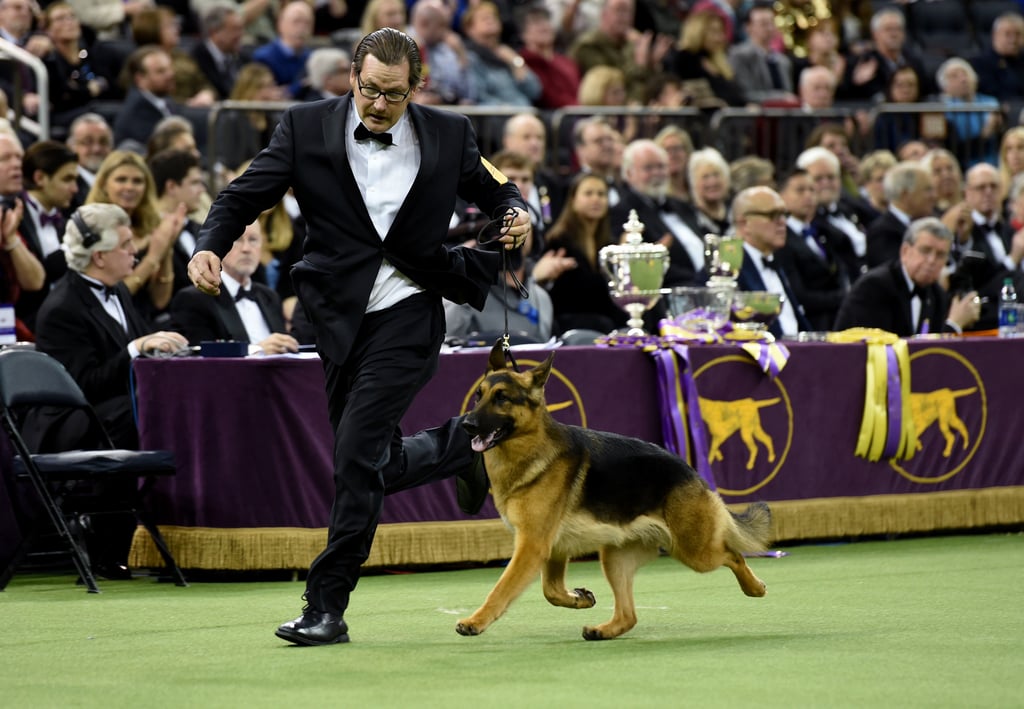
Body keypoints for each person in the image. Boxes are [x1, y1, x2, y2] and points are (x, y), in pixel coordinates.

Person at [188, 28, 531, 647]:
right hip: (338, 319)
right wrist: (209, 246)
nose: (377, 104)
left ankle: (326, 605)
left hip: (410, 312)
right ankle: (463, 442)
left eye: (392, 95)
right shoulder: (304, 126)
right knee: (372, 460)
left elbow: (498, 189)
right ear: (351, 76)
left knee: (352, 458)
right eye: (368, 89)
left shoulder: (449, 134)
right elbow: (244, 194)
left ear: (415, 89)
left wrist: (516, 214)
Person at [32, 203, 189, 578]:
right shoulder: (62, 308)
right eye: (125, 244)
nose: (134, 250)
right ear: (99, 256)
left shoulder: (117, 291)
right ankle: (109, 543)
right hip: (71, 421)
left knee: (169, 410)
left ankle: (181, 526)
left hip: (114, 408)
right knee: (133, 415)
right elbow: (81, 386)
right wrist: (136, 349)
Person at [834, 217, 981, 335]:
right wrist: (953, 325)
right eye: (925, 250)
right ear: (905, 251)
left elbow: (933, 361)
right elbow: (882, 351)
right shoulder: (874, 287)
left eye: (940, 255)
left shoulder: (937, 295)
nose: (932, 261)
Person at [171, 220, 298, 353]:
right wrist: (256, 350)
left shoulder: (269, 296)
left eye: (253, 240)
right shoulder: (194, 299)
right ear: (219, 245)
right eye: (237, 239)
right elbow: (198, 356)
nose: (246, 249)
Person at [536, 172, 623, 334]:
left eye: (601, 194)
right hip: (570, 326)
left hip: (605, 323)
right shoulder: (558, 242)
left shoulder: (611, 244)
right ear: (573, 200)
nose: (596, 199)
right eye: (588, 193)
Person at [732, 185, 812, 338]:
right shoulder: (729, 269)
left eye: (784, 214)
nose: (782, 222)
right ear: (744, 223)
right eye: (773, 215)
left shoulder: (776, 260)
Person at [778, 167, 851, 330]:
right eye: (800, 190)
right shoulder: (781, 239)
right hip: (810, 324)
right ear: (782, 196)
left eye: (812, 190)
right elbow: (799, 295)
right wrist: (845, 297)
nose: (808, 196)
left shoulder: (825, 232)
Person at [865, 161, 936, 269]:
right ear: (905, 195)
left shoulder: (928, 221)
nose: (933, 196)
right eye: (927, 190)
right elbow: (892, 275)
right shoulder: (882, 231)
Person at [191, 2, 246, 100]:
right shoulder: (196, 59)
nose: (240, 35)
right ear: (214, 32)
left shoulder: (242, 57)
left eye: (241, 29)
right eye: (235, 29)